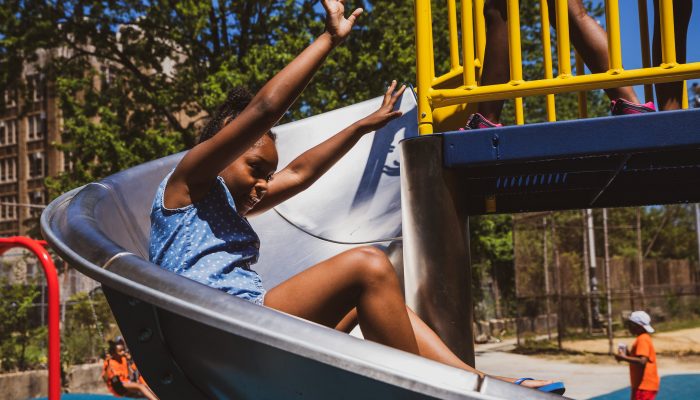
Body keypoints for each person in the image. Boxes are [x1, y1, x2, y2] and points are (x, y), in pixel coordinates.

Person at [149, 0, 560, 393]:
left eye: (266, 175)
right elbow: (264, 109)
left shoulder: (230, 203)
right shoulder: (185, 187)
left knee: (381, 298)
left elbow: (299, 172)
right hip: (216, 334)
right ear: (222, 149)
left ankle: (477, 384)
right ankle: (425, 390)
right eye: (255, 170)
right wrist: (329, 39)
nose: (263, 185)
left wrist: (363, 127)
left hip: (244, 327)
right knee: (368, 265)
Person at [614, 311, 660, 400]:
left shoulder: (642, 339)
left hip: (644, 385)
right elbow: (638, 358)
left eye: (631, 324)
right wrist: (628, 354)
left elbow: (642, 361)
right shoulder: (642, 338)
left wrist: (623, 358)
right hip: (641, 385)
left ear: (638, 326)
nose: (629, 327)